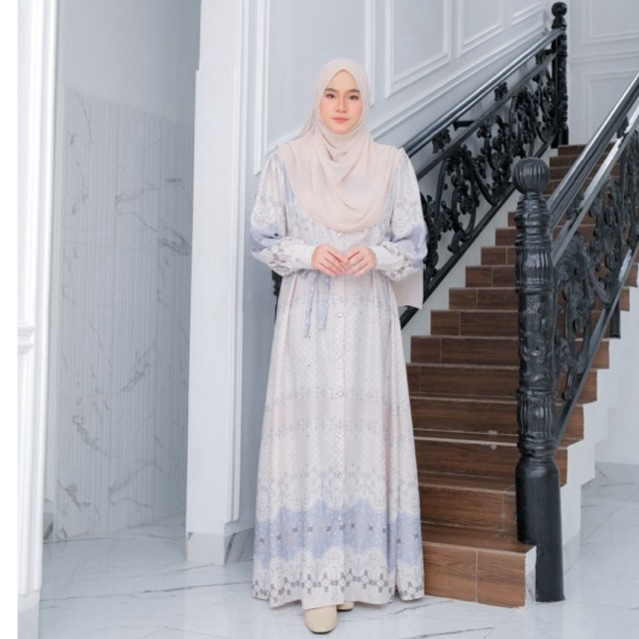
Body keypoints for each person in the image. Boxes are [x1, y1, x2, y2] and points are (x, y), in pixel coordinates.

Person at [250, 58, 427, 634]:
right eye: (331, 94)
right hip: (309, 319)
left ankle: (352, 571)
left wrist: (376, 254)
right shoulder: (286, 161)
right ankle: (316, 581)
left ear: (365, 101)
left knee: (358, 440)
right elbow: (263, 236)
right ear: (317, 99)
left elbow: (413, 243)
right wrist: (309, 253)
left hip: (367, 320)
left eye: (353, 95)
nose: (342, 106)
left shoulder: (391, 164)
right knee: (315, 440)